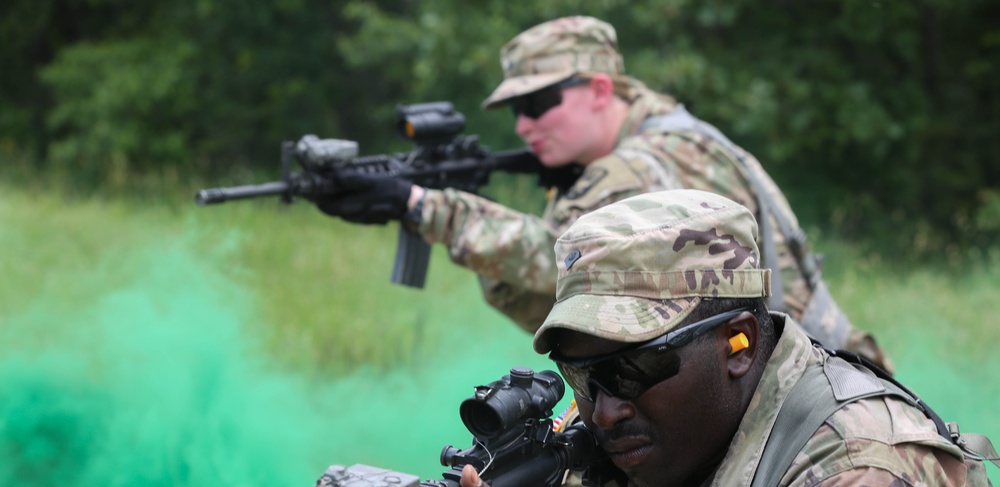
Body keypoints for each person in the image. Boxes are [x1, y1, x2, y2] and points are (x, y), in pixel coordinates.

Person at [411, 189, 1000, 487]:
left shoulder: (862, 478)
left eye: (635, 366)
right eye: (579, 375)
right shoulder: (669, 426)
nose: (607, 408)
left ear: (737, 344)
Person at [317, 16, 894, 372]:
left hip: (789, 394)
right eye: (516, 110)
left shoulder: (636, 167)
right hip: (815, 370)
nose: (522, 124)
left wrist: (420, 206)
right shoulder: (681, 137)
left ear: (598, 90)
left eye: (537, 104)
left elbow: (558, 262)